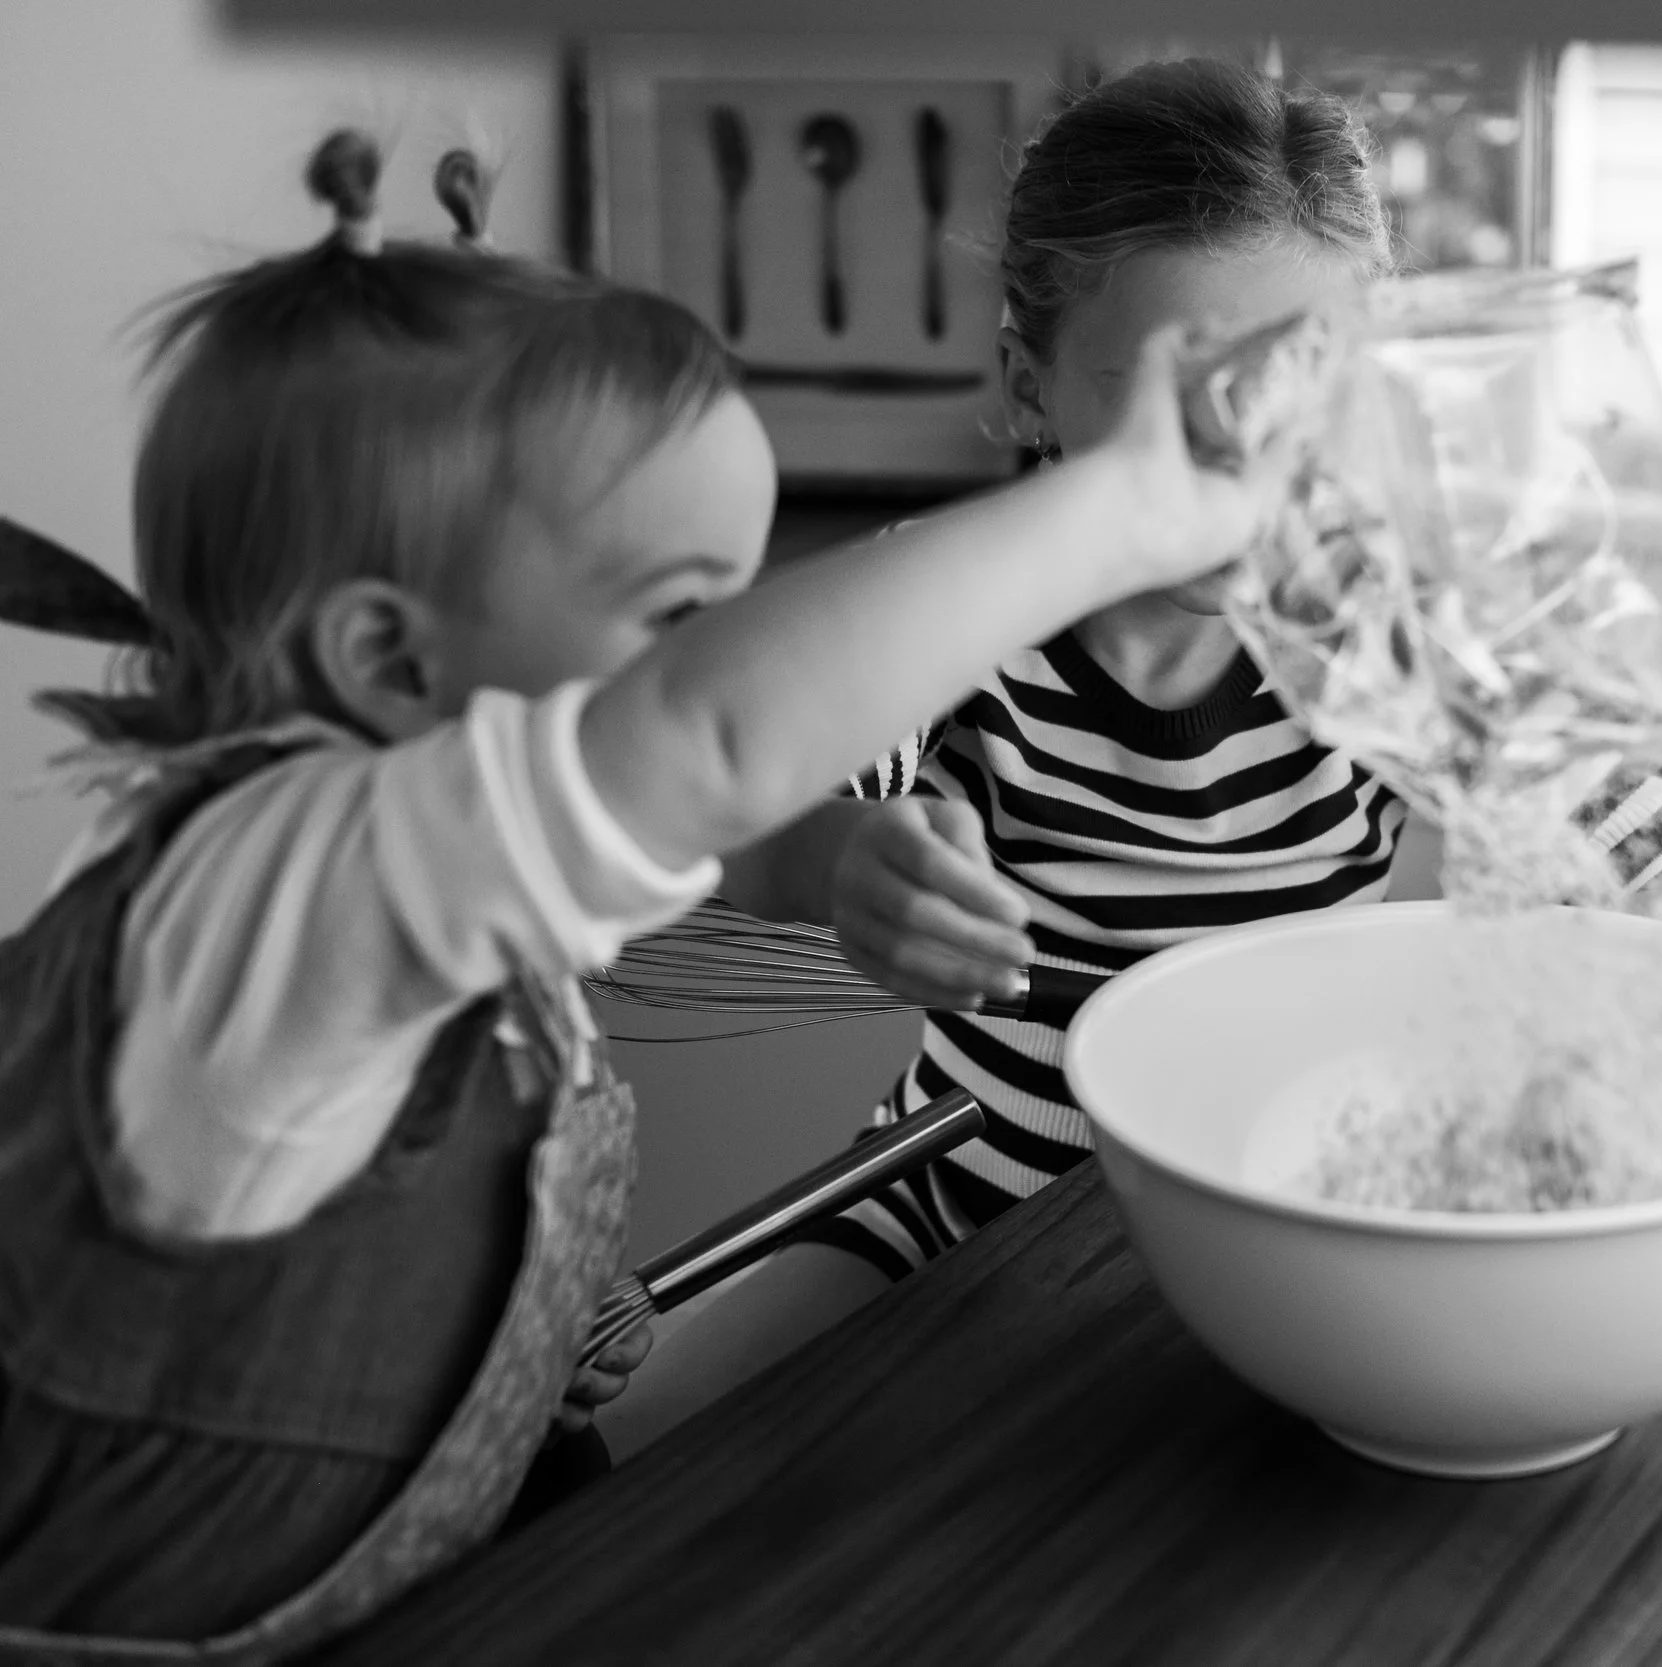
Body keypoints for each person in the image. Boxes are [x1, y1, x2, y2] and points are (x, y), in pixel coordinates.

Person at [0, 127, 1282, 1661]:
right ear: (394, 663)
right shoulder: (286, 878)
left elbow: (709, 824)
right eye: (684, 613)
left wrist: (512, 1328)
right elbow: (702, 745)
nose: (723, 648)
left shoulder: (402, 843)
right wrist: (1122, 510)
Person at [690, 59, 1662, 1406]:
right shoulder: (961, 600)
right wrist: (840, 860)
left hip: (1296, 1191)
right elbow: (731, 801)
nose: (1244, 469)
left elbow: (1661, 857)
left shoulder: (1394, 611)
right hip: (965, 1191)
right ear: (1030, 387)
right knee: (671, 1439)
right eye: (1175, 402)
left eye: (1300, 397)